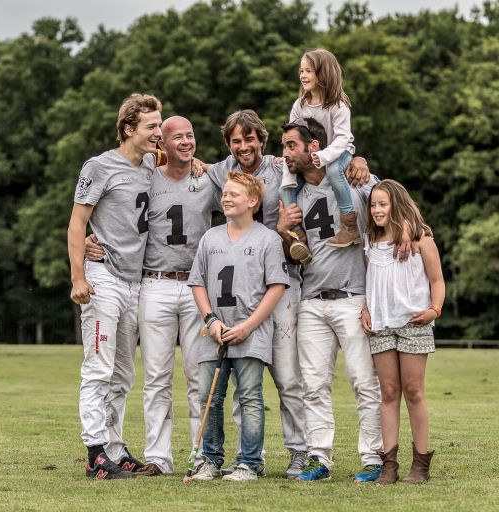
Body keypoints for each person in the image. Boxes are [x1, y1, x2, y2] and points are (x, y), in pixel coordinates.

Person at [277, 117, 383, 483]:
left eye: (292, 145)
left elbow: (392, 209)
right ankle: (319, 458)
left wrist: (361, 161)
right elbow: (292, 257)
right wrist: (283, 231)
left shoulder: (354, 179)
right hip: (311, 299)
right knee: (313, 384)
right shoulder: (292, 195)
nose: (286, 153)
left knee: (364, 381)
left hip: (353, 295)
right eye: (284, 146)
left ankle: (373, 457)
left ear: (314, 147)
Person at [67, 93, 161, 479]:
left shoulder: (153, 164)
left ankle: (116, 448)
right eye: (151, 126)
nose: (159, 132)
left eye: (159, 124)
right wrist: (78, 277)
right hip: (103, 278)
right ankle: (94, 454)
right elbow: (77, 224)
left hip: (134, 281)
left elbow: (183, 164)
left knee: (124, 374)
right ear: (128, 128)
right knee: (99, 369)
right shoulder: (100, 165)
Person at [188, 171, 289, 481]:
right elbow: (198, 282)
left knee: (250, 397)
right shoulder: (211, 237)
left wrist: (247, 326)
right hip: (214, 334)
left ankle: (249, 462)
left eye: (234, 194)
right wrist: (210, 319)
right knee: (209, 397)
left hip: (251, 332)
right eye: (225, 193)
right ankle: (211, 460)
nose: (226, 198)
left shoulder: (268, 239)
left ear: (253, 201)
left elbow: (276, 287)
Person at [133, 116, 220, 476]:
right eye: (177, 137)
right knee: (156, 376)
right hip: (155, 282)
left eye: (190, 136)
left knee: (198, 375)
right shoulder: (146, 176)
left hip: (198, 286)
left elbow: (250, 191)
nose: (186, 142)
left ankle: (201, 455)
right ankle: (158, 457)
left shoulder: (209, 177)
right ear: (161, 144)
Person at [360, 179, 444, 484]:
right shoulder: (370, 241)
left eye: (383, 204)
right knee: (389, 393)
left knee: (414, 391)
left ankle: (420, 464)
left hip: (413, 323)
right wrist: (367, 309)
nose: (378, 210)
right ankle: (389, 465)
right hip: (381, 325)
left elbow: (437, 280)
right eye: (373, 205)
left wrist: (435, 309)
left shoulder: (421, 239)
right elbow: (370, 281)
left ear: (397, 204)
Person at [279, 48, 359, 264]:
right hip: (312, 157)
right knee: (286, 186)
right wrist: (289, 170)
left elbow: (343, 139)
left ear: (323, 74)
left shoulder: (338, 106)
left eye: (308, 71)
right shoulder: (300, 105)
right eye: (301, 71)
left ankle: (350, 224)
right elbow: (291, 136)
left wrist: (324, 157)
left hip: (339, 152)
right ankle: (297, 235)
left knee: (334, 173)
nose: (303, 76)